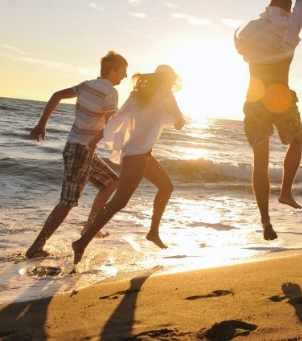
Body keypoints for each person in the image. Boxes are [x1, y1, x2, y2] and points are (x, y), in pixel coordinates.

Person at [233, 0, 302, 241]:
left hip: (254, 98)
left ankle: (265, 220)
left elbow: (241, 48)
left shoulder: (253, 28)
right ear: (287, 8)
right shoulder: (291, 24)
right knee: (296, 141)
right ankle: (285, 191)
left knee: (260, 161)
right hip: (279, 96)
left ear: (269, 6)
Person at [72, 65, 186, 266]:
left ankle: (153, 232)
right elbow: (180, 122)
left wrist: (100, 138)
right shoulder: (165, 94)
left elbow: (116, 119)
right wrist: (172, 117)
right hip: (138, 155)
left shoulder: (136, 95)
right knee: (119, 202)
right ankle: (82, 242)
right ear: (167, 80)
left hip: (135, 152)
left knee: (166, 187)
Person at [25, 51, 128, 258]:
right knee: (68, 202)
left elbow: (56, 95)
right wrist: (97, 140)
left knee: (111, 183)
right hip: (81, 149)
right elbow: (110, 126)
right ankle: (35, 248)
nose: (124, 77)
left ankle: (89, 229)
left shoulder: (86, 85)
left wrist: (41, 124)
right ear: (112, 70)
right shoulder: (110, 92)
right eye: (123, 72)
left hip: (79, 148)